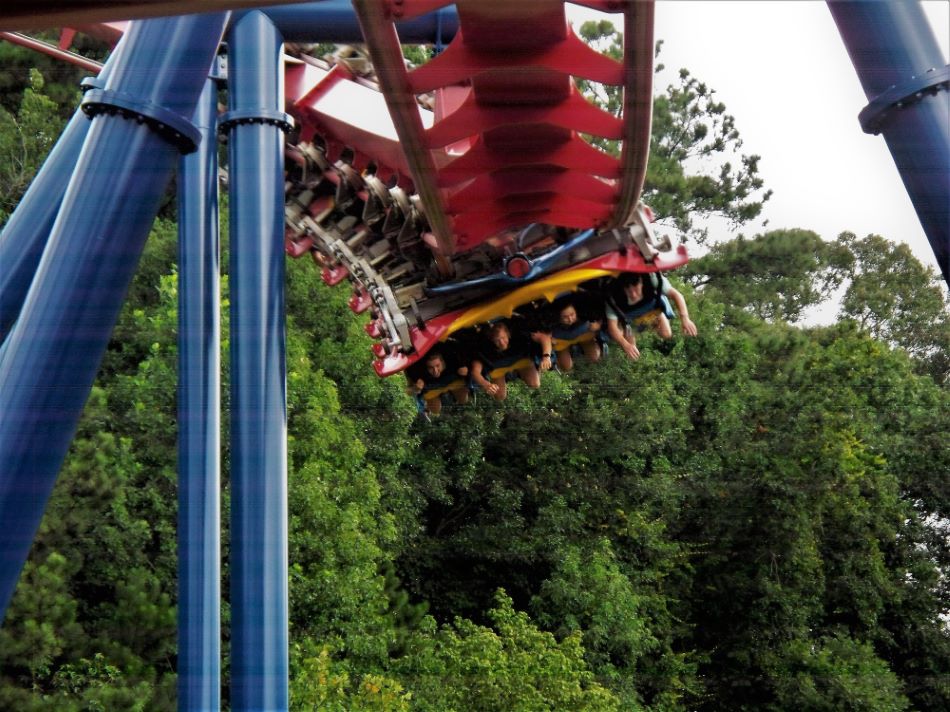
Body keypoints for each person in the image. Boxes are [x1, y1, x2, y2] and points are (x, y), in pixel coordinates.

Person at [603, 272, 698, 360]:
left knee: (666, 334)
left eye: (636, 287)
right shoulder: (614, 295)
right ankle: (641, 326)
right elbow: (612, 327)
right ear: (623, 288)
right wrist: (625, 345)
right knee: (629, 348)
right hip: (630, 315)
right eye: (628, 290)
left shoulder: (652, 278)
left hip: (652, 306)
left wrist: (685, 318)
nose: (633, 294)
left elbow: (677, 295)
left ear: (641, 282)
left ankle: (657, 316)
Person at [469, 320, 547, 401]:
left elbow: (544, 337)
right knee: (499, 396)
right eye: (497, 340)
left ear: (508, 334)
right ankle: (508, 376)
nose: (502, 343)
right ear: (492, 341)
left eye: (503, 338)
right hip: (499, 368)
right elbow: (475, 372)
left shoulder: (520, 337)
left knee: (535, 384)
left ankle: (516, 373)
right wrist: (485, 384)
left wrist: (546, 356)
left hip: (521, 361)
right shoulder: (485, 348)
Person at [539, 295, 603, 371]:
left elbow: (601, 312)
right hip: (562, 341)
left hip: (584, 336)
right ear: (558, 317)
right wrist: (550, 341)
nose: (570, 319)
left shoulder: (585, 313)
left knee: (594, 357)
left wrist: (598, 324)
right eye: (565, 317)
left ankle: (581, 350)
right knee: (567, 367)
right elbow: (544, 335)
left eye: (572, 315)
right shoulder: (550, 322)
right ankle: (560, 360)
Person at [408, 349, 470, 415]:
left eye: (438, 366)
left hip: (452, 382)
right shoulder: (417, 372)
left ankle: (453, 396)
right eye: (431, 368)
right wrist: (416, 388)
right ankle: (428, 407)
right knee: (435, 409)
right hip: (433, 388)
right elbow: (409, 391)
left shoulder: (454, 360)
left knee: (463, 399)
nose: (435, 371)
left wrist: (466, 370)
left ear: (442, 362)